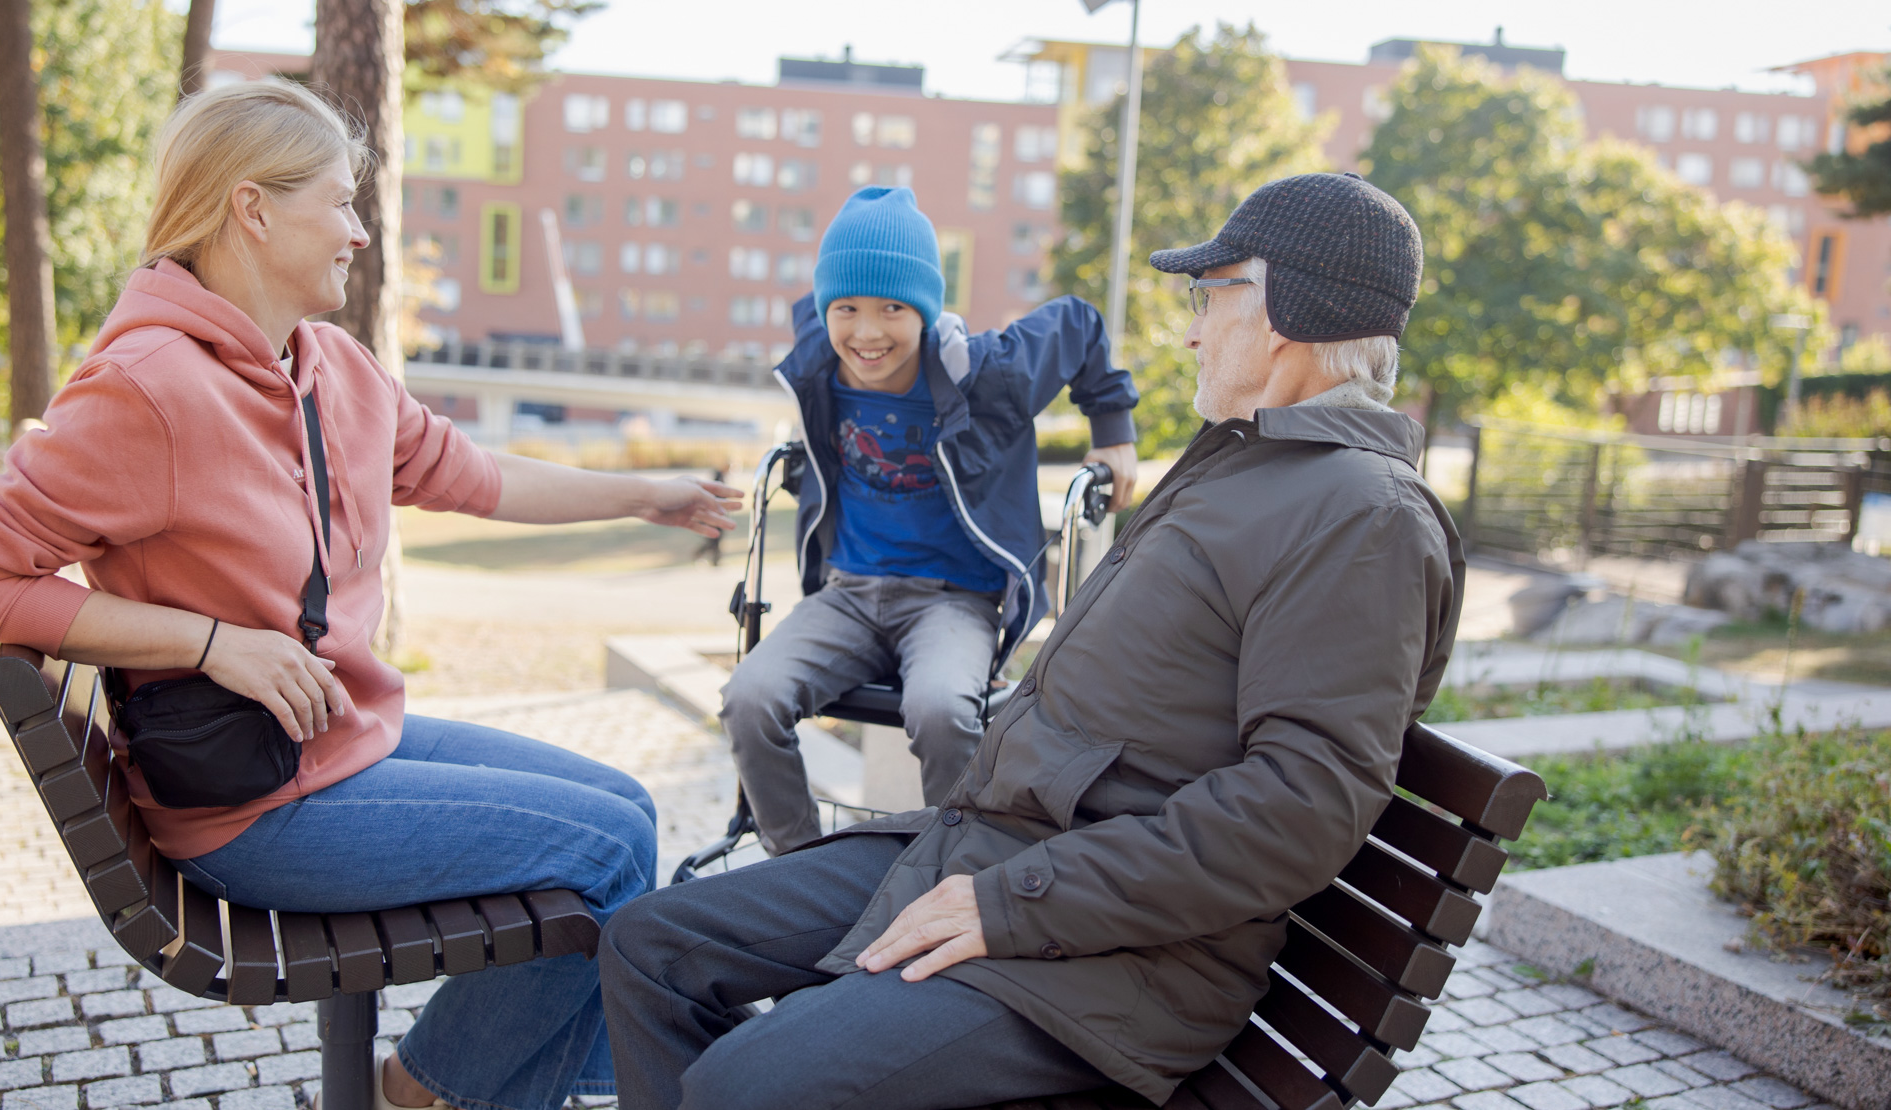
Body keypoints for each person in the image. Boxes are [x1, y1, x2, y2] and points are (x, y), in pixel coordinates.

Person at [0, 80, 740, 1110]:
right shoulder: (146, 390)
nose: (360, 232)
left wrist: (647, 494)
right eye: (341, 201)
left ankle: (506, 1079)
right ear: (252, 209)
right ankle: (449, 1089)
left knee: (628, 806)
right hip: (254, 802)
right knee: (606, 848)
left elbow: (475, 476)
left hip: (339, 740)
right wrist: (210, 641)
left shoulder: (328, 367)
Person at [598, 172, 1465, 1110]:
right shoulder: (1248, 467)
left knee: (743, 1088)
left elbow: (1299, 805)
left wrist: (1009, 904)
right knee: (649, 948)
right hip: (994, 853)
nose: (1191, 328)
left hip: (1105, 953)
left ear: (1292, 310)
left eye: (1211, 295)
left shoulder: (1360, 516)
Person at [721, 185, 1140, 854]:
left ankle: (948, 869)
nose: (867, 332)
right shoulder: (818, 358)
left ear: (925, 308)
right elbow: (824, 302)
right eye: (847, 308)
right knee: (749, 696)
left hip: (952, 603)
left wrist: (1112, 427)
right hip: (849, 593)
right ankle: (797, 863)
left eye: (893, 308)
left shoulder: (986, 374)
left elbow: (1079, 324)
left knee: (941, 711)